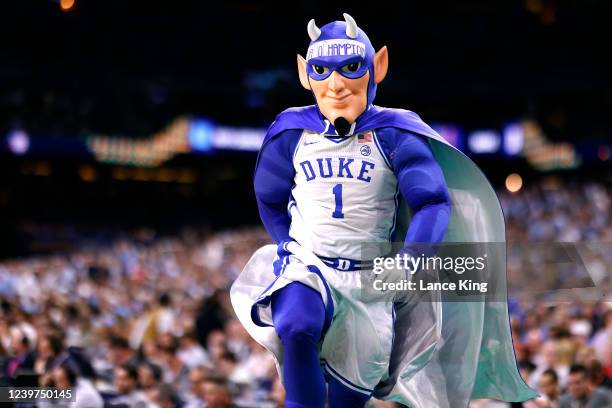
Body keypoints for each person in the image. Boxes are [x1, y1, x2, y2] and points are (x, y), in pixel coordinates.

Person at [231, 13, 536, 408]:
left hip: (371, 279)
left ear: (378, 65)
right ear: (305, 73)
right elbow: (269, 197)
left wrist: (410, 260)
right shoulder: (290, 130)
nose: (336, 84)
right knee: (296, 324)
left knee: (348, 398)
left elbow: (432, 202)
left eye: (350, 68)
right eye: (323, 71)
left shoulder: (395, 132)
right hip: (310, 264)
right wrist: (287, 245)